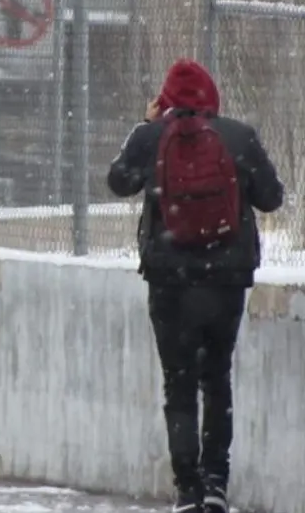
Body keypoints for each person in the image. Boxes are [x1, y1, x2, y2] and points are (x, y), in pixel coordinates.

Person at [106, 59, 284, 513]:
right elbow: (272, 198)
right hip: (226, 280)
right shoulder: (238, 136)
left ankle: (186, 490)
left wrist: (143, 126)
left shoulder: (150, 138)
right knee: (217, 379)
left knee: (179, 384)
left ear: (166, 100)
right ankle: (215, 487)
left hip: (169, 279)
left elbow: (118, 182)